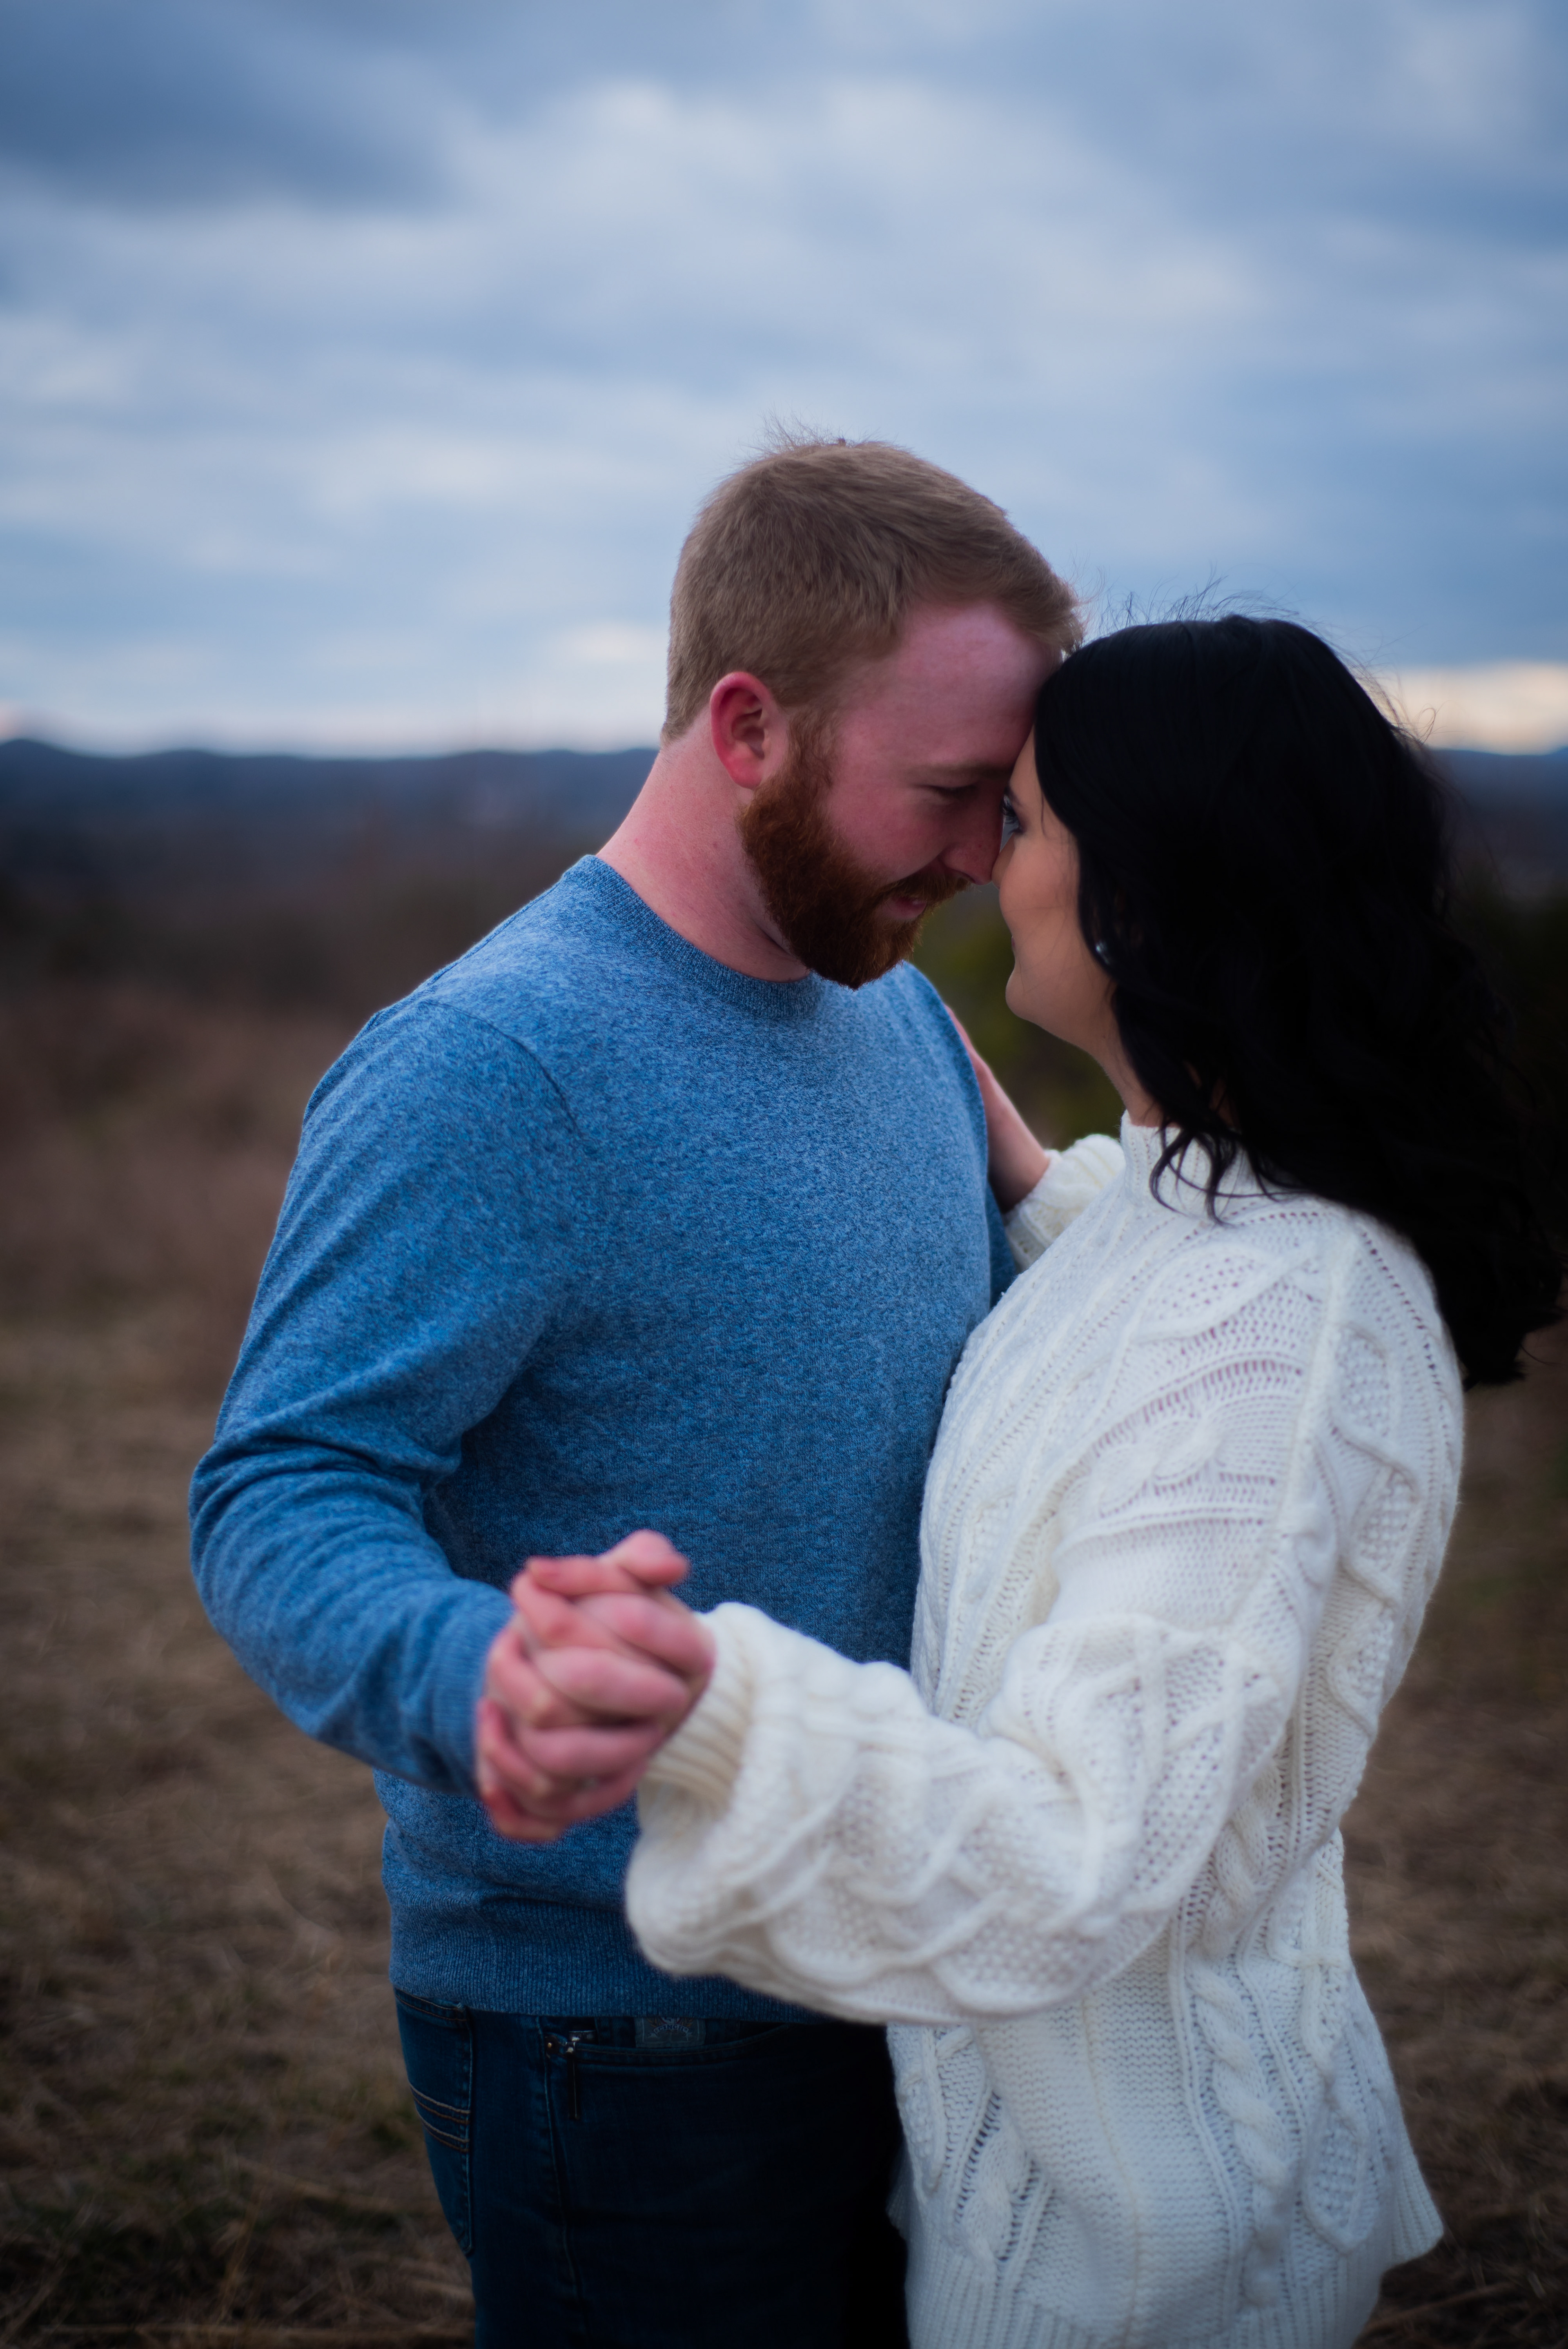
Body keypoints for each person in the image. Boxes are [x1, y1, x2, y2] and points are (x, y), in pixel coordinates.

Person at [479, 616, 1564, 2349]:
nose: (987, 861)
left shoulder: (1287, 1324)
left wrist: (712, 1706)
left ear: (1147, 894)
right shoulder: (1191, 1215)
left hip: (1146, 2258)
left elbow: (1080, 1846)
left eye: (1029, 821)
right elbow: (1141, 1345)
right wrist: (1015, 1163)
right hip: (1046, 2195)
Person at [189, 432, 1080, 2347]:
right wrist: (476, 1668)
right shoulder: (490, 1064)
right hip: (630, 2033)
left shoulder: (898, 1012)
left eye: (1006, 808)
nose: (977, 861)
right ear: (747, 726)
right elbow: (280, 1485)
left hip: (911, 1961)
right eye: (948, 794)